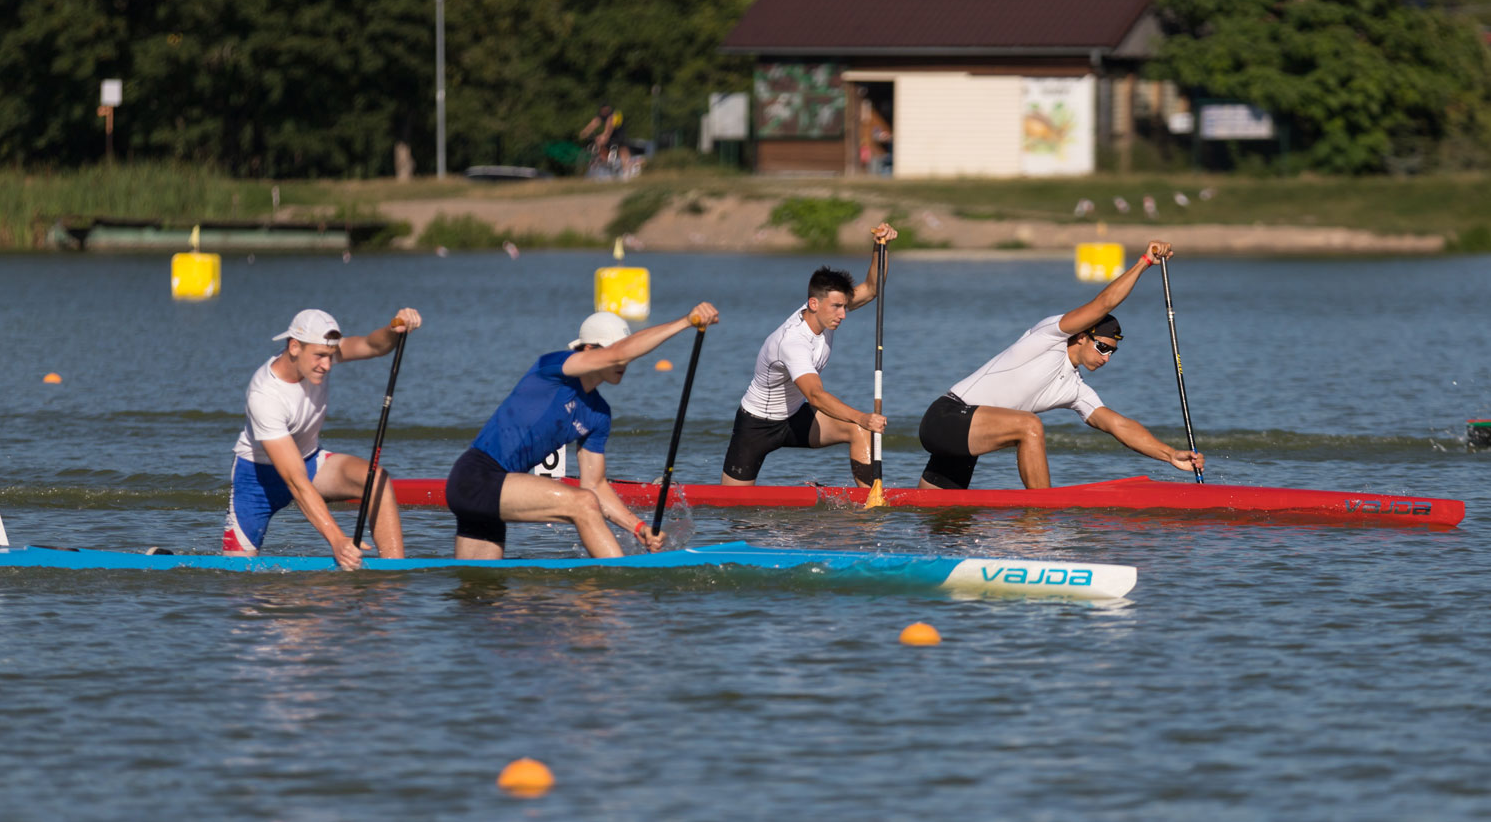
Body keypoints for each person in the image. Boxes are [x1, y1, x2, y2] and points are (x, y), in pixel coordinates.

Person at [917, 239, 1205, 490]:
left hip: (966, 440)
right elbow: (1103, 303)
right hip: (946, 418)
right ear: (1081, 336)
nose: (1106, 358)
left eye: (1112, 353)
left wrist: (1169, 454)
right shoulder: (1050, 336)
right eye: (1102, 347)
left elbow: (1118, 425)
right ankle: (1041, 512)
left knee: (942, 519)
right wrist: (1144, 262)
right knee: (1030, 426)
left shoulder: (1074, 389)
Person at [447, 303, 720, 560]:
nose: (623, 364)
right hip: (476, 476)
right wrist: (686, 322)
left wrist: (638, 528)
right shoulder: (553, 367)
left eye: (625, 357)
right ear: (589, 350)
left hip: (497, 492)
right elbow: (620, 353)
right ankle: (621, 581)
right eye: (615, 353)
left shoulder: (598, 413)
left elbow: (596, 484)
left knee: (484, 595)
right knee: (582, 503)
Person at [225, 307, 424, 570]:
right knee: (238, 585)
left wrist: (393, 330)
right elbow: (295, 482)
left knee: (376, 480)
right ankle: (163, 555)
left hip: (310, 462)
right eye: (320, 356)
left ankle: (395, 575)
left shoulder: (318, 354)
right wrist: (338, 540)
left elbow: (371, 345)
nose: (327, 365)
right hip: (257, 481)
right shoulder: (265, 395)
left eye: (331, 356)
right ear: (294, 347)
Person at [721, 223, 898, 487]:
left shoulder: (824, 315)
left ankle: (870, 507)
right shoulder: (793, 342)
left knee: (860, 431)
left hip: (794, 417)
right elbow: (815, 395)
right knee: (733, 513)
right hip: (756, 425)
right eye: (837, 307)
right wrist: (863, 415)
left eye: (844, 306)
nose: (843, 314)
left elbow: (872, 289)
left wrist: (880, 247)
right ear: (813, 304)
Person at [578, 102, 631, 180]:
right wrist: (584, 132)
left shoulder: (613, 115)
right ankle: (605, 164)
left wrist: (604, 136)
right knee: (600, 145)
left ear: (607, 109)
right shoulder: (602, 115)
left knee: (622, 150)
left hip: (619, 135)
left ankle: (626, 172)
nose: (602, 112)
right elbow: (594, 123)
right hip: (611, 136)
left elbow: (609, 129)